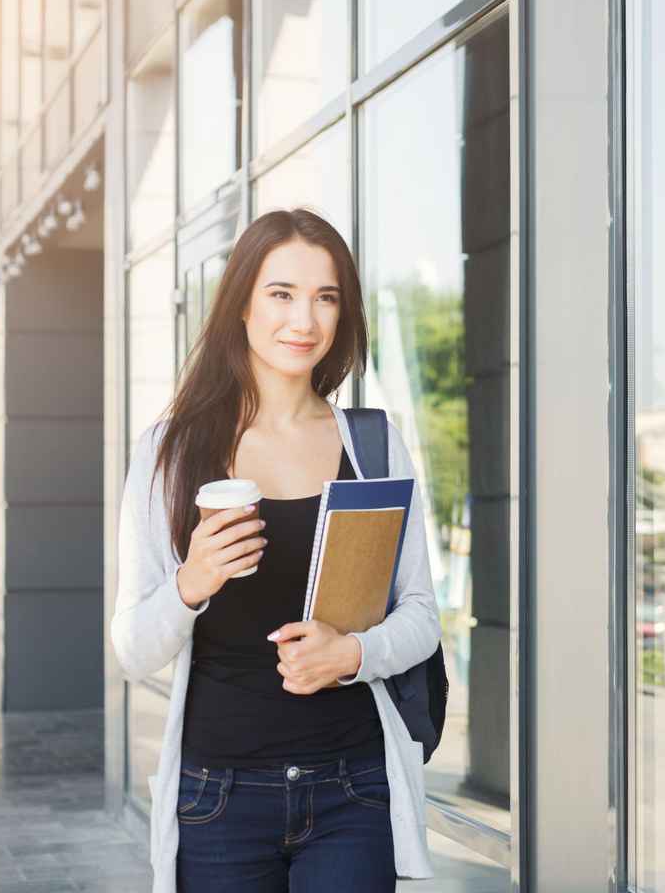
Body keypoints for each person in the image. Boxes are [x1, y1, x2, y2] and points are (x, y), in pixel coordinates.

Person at [110, 209, 441, 892]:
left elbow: (421, 617)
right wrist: (193, 580)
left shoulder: (374, 445)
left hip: (354, 790)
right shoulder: (170, 452)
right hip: (217, 799)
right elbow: (133, 651)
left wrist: (351, 655)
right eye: (282, 294)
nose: (305, 321)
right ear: (241, 305)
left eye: (326, 298)